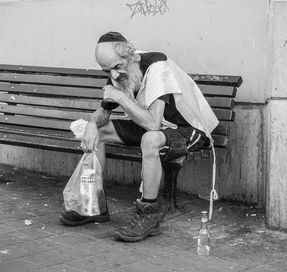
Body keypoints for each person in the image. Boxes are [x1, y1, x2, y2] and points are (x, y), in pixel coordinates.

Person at [60, 31, 219, 242]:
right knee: (99, 131)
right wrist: (91, 124)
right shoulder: (118, 69)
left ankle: (148, 215)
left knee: (150, 139)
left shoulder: (157, 65)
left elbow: (152, 123)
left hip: (190, 129)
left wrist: (119, 96)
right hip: (156, 125)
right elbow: (104, 111)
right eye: (107, 71)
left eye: (117, 67)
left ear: (131, 56)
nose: (114, 75)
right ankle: (93, 206)